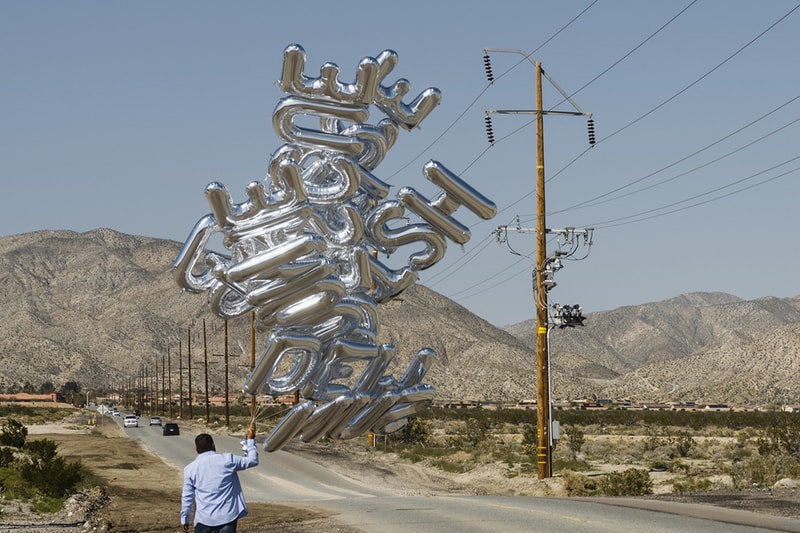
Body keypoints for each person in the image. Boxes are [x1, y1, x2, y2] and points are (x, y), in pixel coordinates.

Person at [181, 426, 258, 533]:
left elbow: (187, 496)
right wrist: (250, 441)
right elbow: (252, 460)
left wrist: (184, 519)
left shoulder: (190, 469)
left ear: (197, 450)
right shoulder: (228, 460)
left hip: (203, 520)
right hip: (227, 518)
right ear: (213, 445)